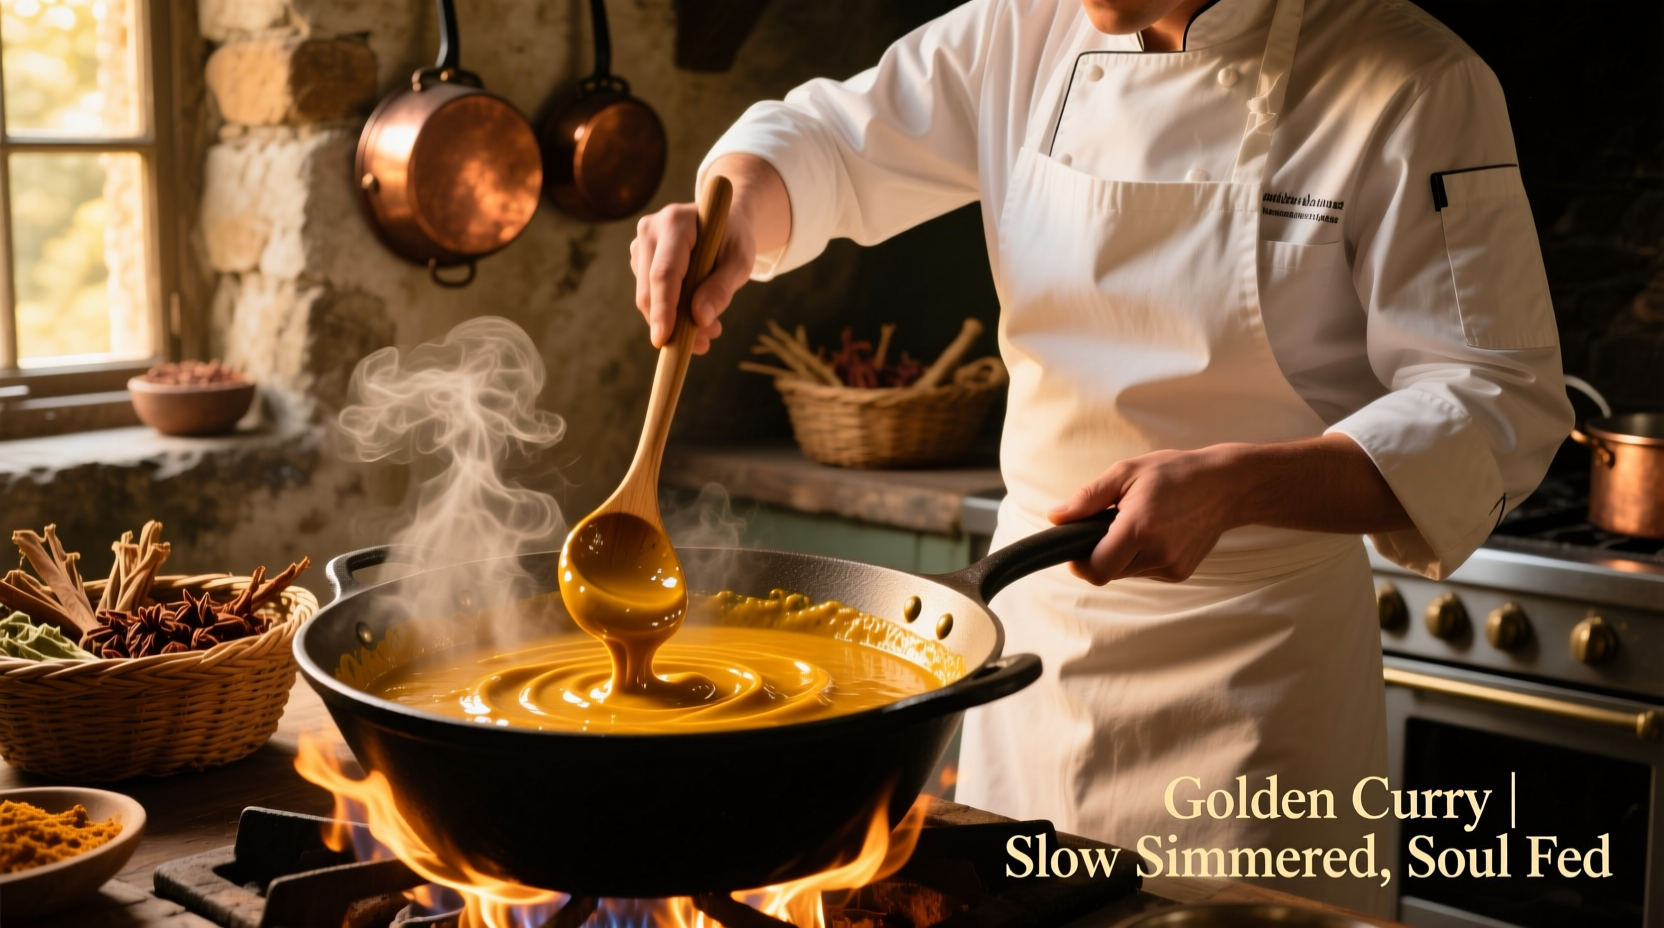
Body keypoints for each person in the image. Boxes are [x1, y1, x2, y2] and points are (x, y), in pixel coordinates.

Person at [630, 0, 1571, 913]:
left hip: (1259, 683)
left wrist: (1240, 485)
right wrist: (737, 214)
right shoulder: (1019, 31)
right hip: (1037, 650)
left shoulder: (1416, 79)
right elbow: (827, 141)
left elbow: (1495, 401)